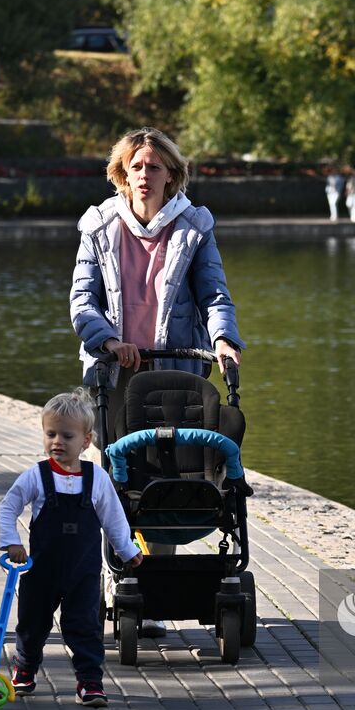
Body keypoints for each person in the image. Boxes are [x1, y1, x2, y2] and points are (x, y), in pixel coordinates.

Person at [70, 127, 244, 636]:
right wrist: (108, 340)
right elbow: (83, 301)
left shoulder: (193, 226)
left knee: (165, 477)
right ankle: (117, 577)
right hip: (115, 372)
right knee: (121, 478)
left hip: (174, 370)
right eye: (136, 167)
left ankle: (153, 586)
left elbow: (215, 294)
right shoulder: (99, 225)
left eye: (154, 167)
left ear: (172, 175)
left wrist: (225, 340)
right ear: (122, 174)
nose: (144, 176)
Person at [0, 388, 143, 707]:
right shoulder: (36, 476)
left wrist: (126, 548)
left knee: (86, 625)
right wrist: (11, 541)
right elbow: (9, 507)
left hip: (83, 572)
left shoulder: (97, 479)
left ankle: (90, 681)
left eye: (66, 435)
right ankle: (25, 668)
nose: (57, 442)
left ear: (86, 441)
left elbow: (114, 517)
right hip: (41, 571)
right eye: (50, 434)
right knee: (32, 623)